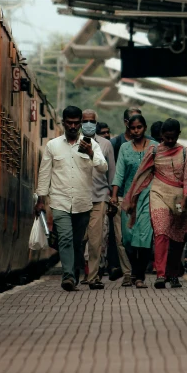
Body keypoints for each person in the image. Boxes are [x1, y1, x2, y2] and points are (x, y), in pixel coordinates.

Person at [123, 118, 187, 288]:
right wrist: (133, 198)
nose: (170, 141)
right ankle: (160, 274)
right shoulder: (154, 151)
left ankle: (173, 274)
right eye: (166, 138)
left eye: (173, 138)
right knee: (161, 233)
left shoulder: (185, 153)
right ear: (161, 135)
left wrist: (185, 199)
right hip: (158, 195)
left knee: (177, 238)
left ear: (178, 135)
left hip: (180, 199)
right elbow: (141, 174)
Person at [35, 105, 107, 291]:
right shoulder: (53, 146)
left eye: (77, 123)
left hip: (83, 202)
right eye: (70, 123)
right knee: (65, 238)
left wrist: (91, 153)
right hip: (60, 200)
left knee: (77, 242)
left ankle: (74, 271)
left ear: (80, 124)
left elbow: (103, 168)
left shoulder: (92, 144)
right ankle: (67, 276)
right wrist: (41, 200)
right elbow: (45, 174)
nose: (73, 127)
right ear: (63, 123)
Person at [111, 114, 157, 288]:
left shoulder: (155, 147)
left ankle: (138, 276)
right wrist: (115, 195)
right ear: (128, 129)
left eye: (139, 127)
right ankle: (135, 272)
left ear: (145, 127)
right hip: (129, 198)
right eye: (133, 128)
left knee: (144, 237)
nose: (136, 131)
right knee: (128, 238)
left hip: (149, 196)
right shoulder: (124, 148)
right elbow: (120, 173)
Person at [80, 109, 116, 290]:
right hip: (78, 197)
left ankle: (92, 276)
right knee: (80, 239)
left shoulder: (106, 145)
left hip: (100, 196)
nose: (88, 124)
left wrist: (113, 197)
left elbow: (111, 173)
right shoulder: (74, 142)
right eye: (85, 121)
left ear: (96, 123)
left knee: (96, 240)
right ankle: (79, 272)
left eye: (91, 121)